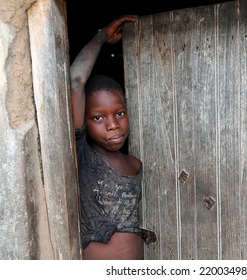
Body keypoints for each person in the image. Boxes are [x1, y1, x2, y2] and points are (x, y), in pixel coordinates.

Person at [70, 16, 156, 260]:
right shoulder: (83, 157)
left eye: (119, 113)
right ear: (83, 122)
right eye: (98, 118)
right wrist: (100, 37)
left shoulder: (135, 164)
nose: (113, 125)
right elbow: (75, 82)